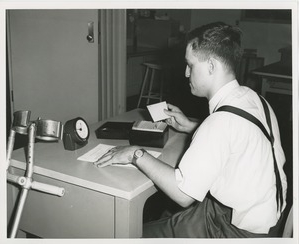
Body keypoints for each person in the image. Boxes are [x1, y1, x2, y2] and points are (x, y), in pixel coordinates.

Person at [94, 22, 287, 238]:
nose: (186, 73)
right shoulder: (255, 99)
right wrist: (191, 126)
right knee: (167, 216)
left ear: (212, 66)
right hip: (269, 218)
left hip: (239, 231)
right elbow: (239, 137)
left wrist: (135, 154)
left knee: (130, 234)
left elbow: (183, 194)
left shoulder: (219, 123)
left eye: (191, 65)